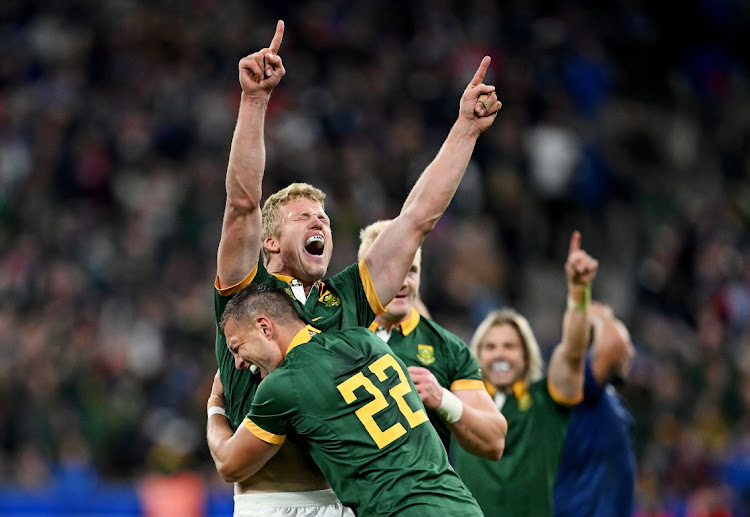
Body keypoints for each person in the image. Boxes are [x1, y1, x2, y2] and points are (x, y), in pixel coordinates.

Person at [209, 20, 501, 516]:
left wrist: (465, 131)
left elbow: (415, 221)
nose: (320, 219)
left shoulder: (345, 297)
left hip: (349, 500)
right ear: (271, 241)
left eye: (323, 215)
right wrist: (255, 102)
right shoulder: (244, 293)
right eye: (304, 216)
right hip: (271, 499)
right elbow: (241, 203)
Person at [207, 284, 487, 517]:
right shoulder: (367, 340)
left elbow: (229, 465)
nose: (238, 363)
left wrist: (215, 404)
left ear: (265, 327)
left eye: (236, 347)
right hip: (460, 502)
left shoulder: (283, 385)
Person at [452, 231, 598, 517]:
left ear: (527, 355)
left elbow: (573, 351)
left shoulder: (547, 402)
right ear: (477, 357)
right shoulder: (460, 401)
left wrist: (579, 294)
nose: (501, 355)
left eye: (510, 346)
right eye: (491, 347)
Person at [357, 220, 507, 458]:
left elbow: (495, 441)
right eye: (390, 270)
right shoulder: (336, 337)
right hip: (351, 493)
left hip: (421, 492)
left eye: (411, 270)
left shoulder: (448, 348)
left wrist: (444, 400)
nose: (402, 282)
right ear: (364, 275)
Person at [553, 302, 636, 517]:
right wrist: (599, 316)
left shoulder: (608, 401)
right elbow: (614, 344)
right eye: (628, 343)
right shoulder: (579, 389)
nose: (632, 352)